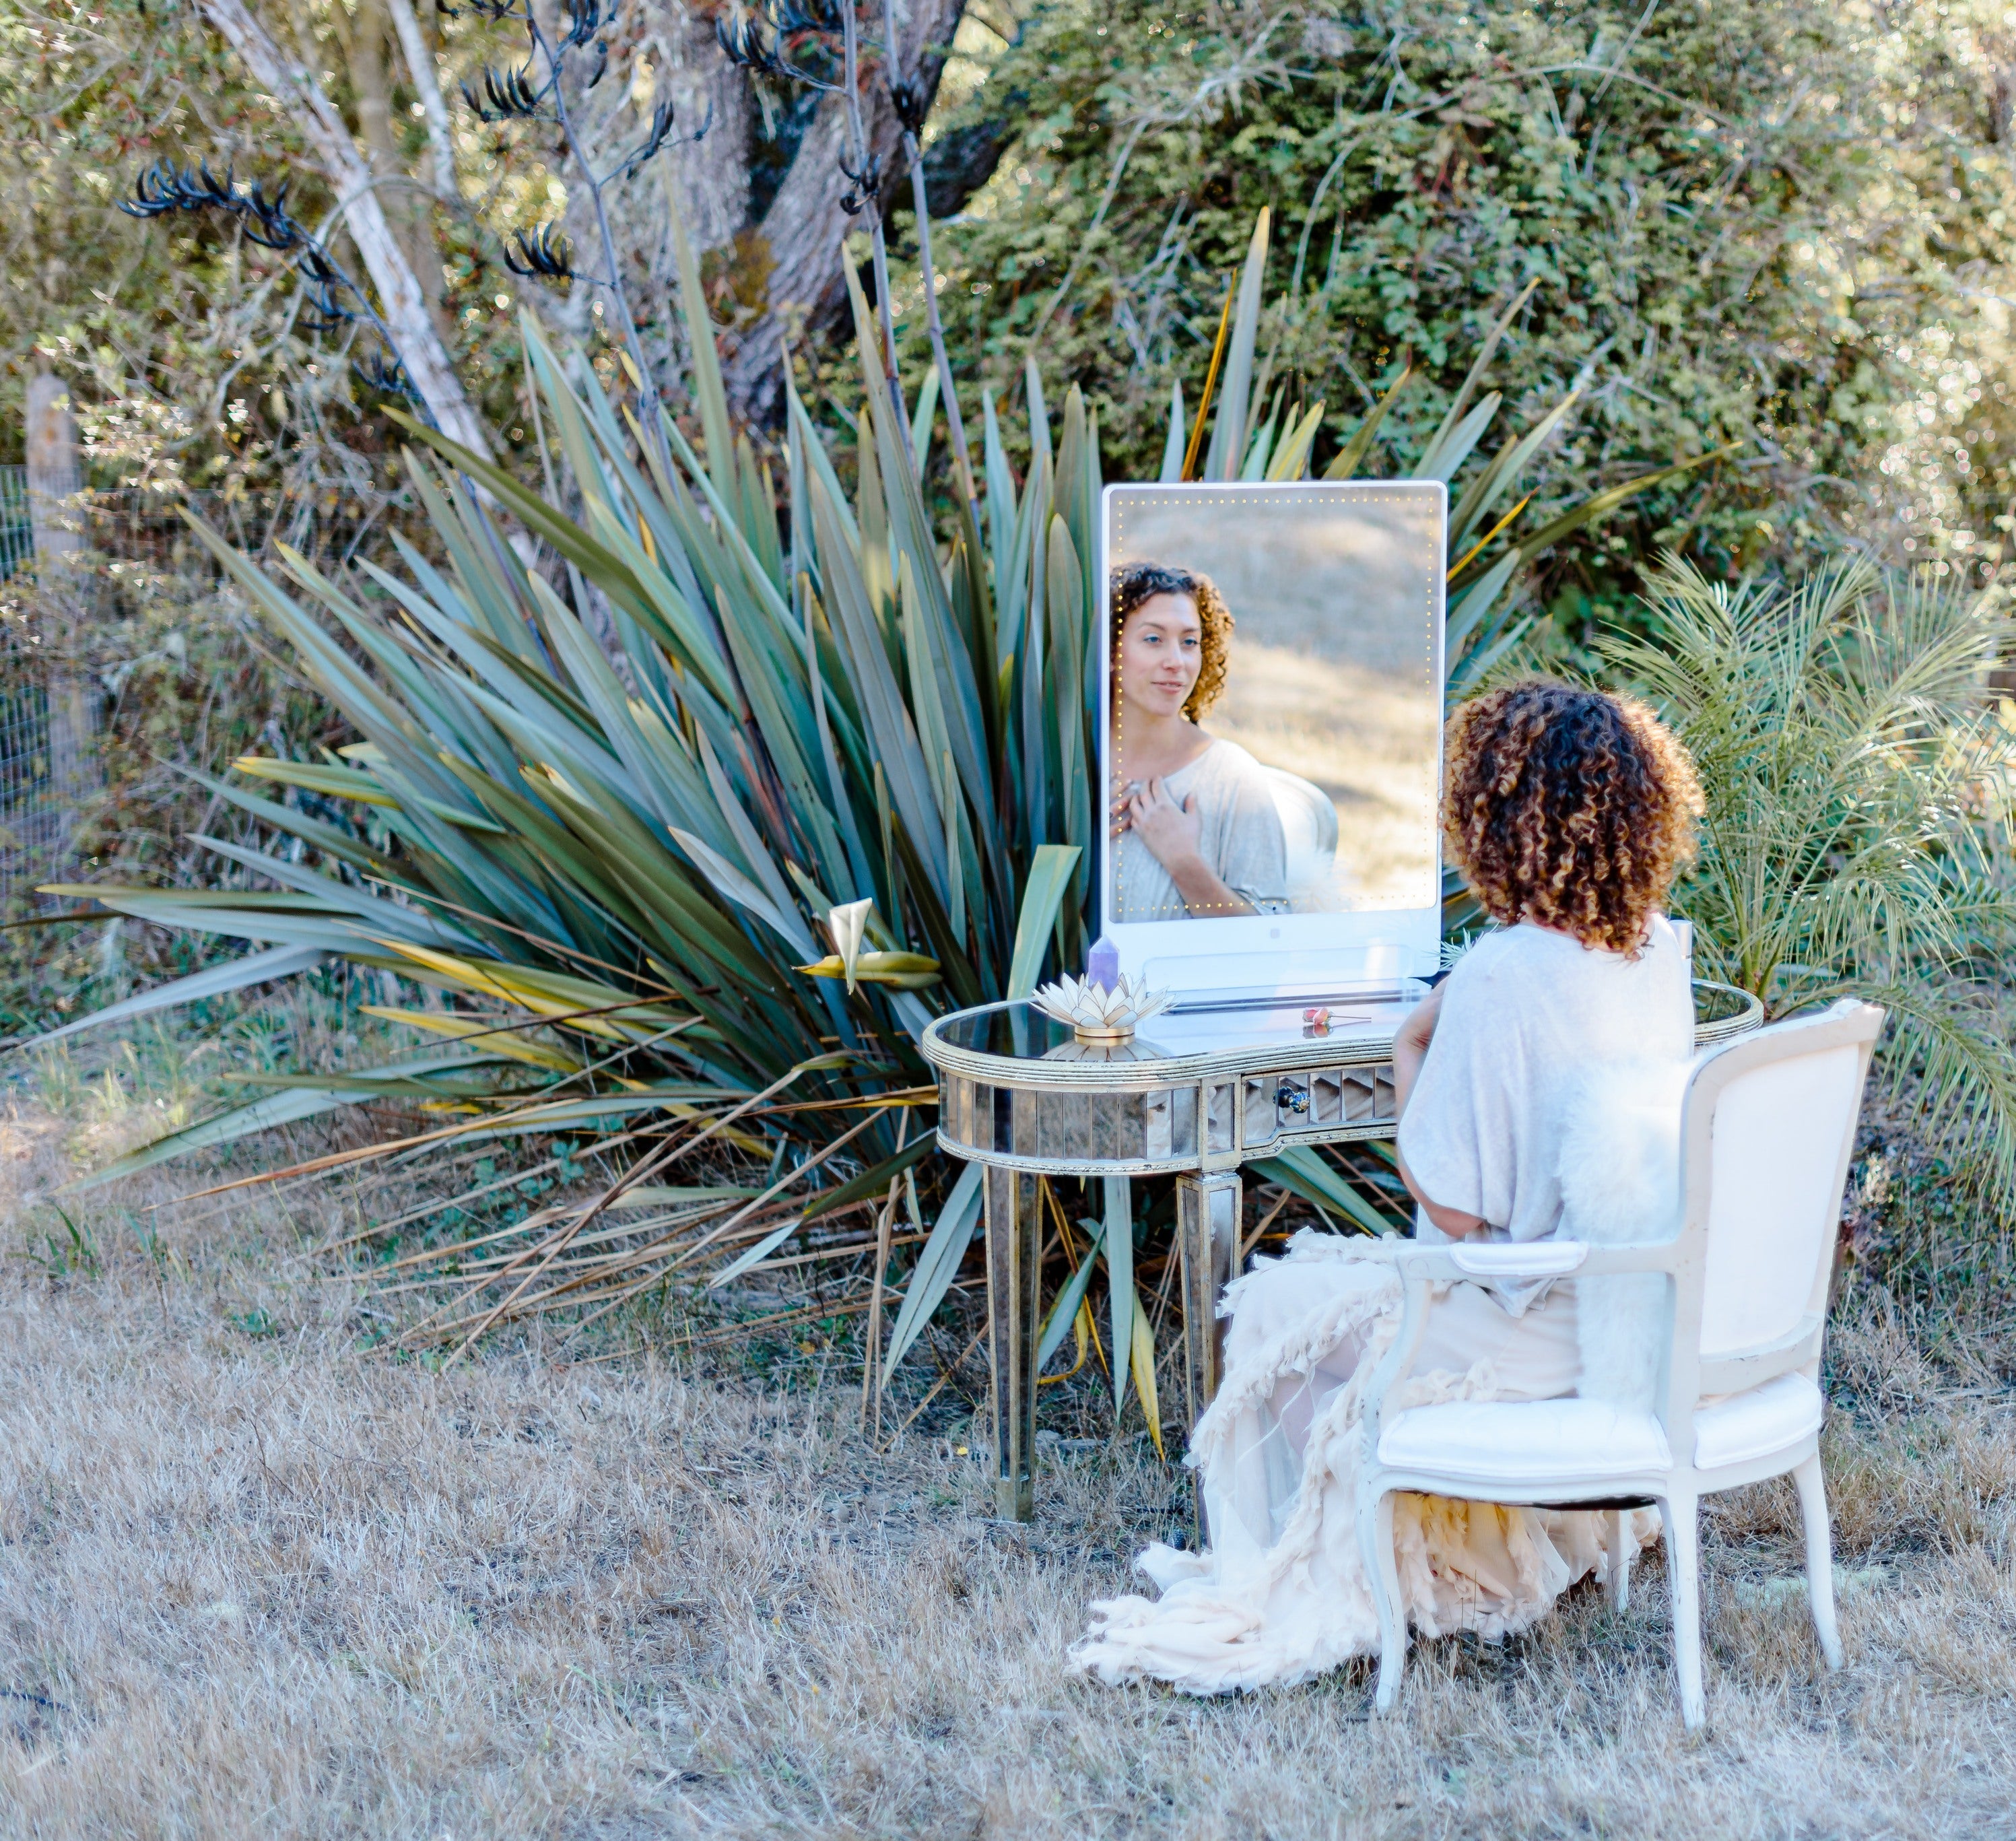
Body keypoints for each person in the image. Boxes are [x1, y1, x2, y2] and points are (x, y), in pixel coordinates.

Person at [1073, 679, 1706, 1693]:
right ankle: (1448, 1539)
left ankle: (1367, 1570)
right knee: (1315, 1300)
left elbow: (1450, 1209)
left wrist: (1413, 1052)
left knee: (1273, 1309)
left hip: (1520, 1321)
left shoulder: (1504, 972)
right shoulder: (1657, 948)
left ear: (1495, 819)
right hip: (1617, 1309)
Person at [1108, 562, 1289, 922]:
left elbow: (1270, 942)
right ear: (1111, 651)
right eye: (1154, 639)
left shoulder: (1233, 778)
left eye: (1189, 642)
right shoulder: (1066, 768)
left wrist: (1183, 861)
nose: (1176, 661)